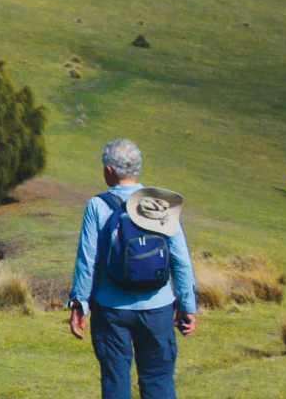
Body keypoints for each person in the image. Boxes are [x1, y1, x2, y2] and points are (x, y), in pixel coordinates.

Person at [68, 138, 198, 399]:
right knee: (159, 381)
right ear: (137, 169)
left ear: (109, 171)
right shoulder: (160, 204)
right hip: (158, 308)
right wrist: (187, 305)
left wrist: (79, 303)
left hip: (110, 310)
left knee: (115, 381)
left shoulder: (97, 205)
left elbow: (87, 260)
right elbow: (180, 259)